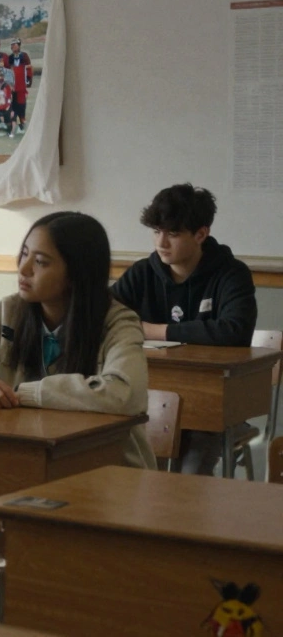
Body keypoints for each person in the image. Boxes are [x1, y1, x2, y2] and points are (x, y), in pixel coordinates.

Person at [0, 211, 154, 622]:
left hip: (103, 491)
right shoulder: (11, 311)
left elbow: (124, 392)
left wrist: (22, 394)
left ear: (76, 273)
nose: (24, 269)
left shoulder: (116, 321)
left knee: (65, 575)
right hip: (18, 487)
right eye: (24, 254)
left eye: (42, 261)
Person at [111, 184, 258, 475]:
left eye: (173, 234)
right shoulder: (142, 272)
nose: (161, 243)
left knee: (187, 474)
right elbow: (102, 315)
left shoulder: (231, 273)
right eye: (156, 231)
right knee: (124, 462)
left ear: (201, 234)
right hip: (150, 403)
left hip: (210, 407)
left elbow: (235, 330)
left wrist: (155, 331)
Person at [8, 38, 34, 133]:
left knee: (22, 105)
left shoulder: (24, 56)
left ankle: (23, 123)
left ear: (19, 46)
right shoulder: (10, 57)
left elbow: (29, 69)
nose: (13, 47)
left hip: (22, 86)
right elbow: (8, 71)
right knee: (13, 106)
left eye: (15, 45)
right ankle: (14, 124)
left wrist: (28, 82)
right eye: (12, 45)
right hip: (13, 86)